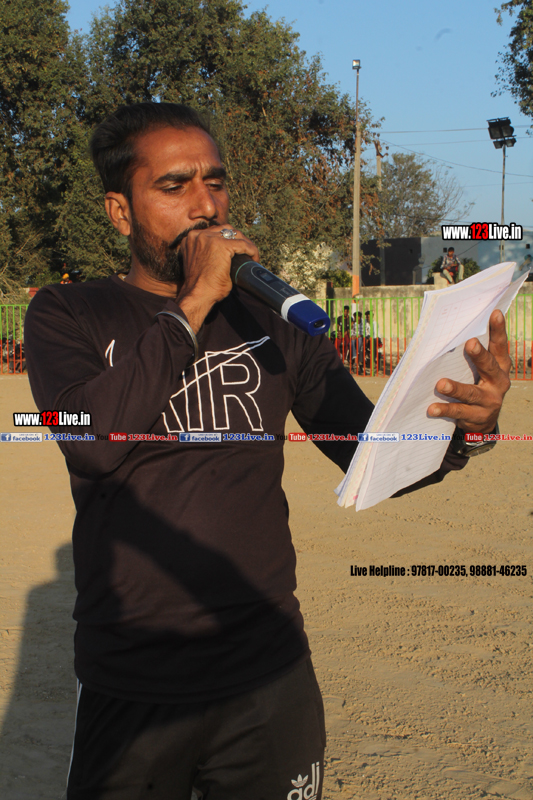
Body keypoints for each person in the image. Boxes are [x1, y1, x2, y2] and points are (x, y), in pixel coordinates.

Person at [23, 102, 511, 800]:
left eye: (215, 183)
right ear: (120, 212)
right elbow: (92, 444)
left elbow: (370, 456)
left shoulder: (274, 323)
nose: (205, 206)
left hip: (268, 671)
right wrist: (192, 305)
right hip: (134, 678)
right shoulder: (66, 313)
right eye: (174, 186)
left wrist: (466, 429)